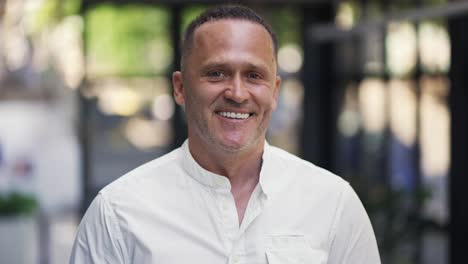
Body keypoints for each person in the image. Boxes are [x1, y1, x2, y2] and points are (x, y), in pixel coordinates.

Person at [69, 5, 381, 264]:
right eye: (216, 73)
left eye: (254, 75)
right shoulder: (117, 214)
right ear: (180, 87)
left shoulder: (334, 203)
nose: (237, 92)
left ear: (274, 91)